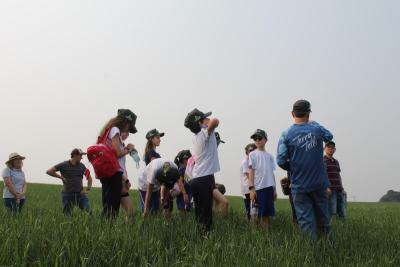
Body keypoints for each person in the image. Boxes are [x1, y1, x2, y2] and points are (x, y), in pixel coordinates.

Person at [277, 99, 333, 240]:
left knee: (307, 224)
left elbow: (281, 160)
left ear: (292, 113)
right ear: (308, 113)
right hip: (319, 184)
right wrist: (315, 123)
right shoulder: (316, 129)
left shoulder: (286, 134)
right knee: (324, 221)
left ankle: (312, 255)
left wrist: (295, 167)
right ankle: (329, 252)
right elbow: (329, 136)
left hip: (299, 185)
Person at [184, 108, 220, 231]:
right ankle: (206, 237)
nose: (208, 119)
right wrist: (206, 125)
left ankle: (200, 235)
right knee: (206, 213)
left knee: (200, 212)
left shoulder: (196, 137)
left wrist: (204, 123)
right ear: (200, 123)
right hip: (204, 178)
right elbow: (215, 121)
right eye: (205, 118)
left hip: (197, 178)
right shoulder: (203, 134)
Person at [98, 109, 137, 219]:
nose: (128, 131)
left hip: (112, 175)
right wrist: (129, 149)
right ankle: (107, 233)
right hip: (113, 175)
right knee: (111, 210)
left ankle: (108, 232)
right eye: (129, 127)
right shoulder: (115, 130)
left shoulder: (109, 131)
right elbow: (117, 153)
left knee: (110, 209)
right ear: (126, 122)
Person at [47, 148, 93, 215]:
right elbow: (49, 171)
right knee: (67, 215)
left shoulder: (82, 166)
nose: (82, 158)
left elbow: (89, 178)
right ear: (75, 155)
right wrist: (61, 177)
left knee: (89, 212)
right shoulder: (63, 165)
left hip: (80, 194)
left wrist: (88, 189)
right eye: (80, 155)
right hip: (67, 194)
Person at [248, 129, 277, 229]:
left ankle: (266, 239)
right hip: (258, 188)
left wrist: (274, 189)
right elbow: (251, 172)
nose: (257, 140)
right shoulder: (252, 154)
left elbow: (272, 174)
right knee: (255, 215)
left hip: (269, 188)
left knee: (266, 215)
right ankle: (254, 238)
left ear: (265, 140)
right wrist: (251, 189)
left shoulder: (270, 156)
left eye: (259, 138)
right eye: (255, 139)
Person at [324, 141, 345, 221]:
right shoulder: (323, 160)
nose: (330, 149)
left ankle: (342, 230)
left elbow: (338, 175)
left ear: (335, 149)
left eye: (332, 147)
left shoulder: (336, 162)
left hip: (339, 190)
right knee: (331, 212)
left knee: (341, 212)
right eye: (328, 147)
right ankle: (329, 230)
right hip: (330, 190)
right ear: (324, 149)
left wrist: (342, 188)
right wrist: (326, 187)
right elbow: (322, 175)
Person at [120, 130, 136, 223]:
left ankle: (127, 231)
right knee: (130, 211)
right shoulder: (117, 146)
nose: (128, 134)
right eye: (126, 131)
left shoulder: (121, 145)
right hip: (120, 181)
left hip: (121, 180)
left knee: (129, 212)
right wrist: (126, 180)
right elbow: (117, 166)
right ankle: (128, 231)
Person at [212, 132, 229, 217]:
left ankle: (220, 224)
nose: (218, 144)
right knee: (224, 202)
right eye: (216, 142)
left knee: (223, 203)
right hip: (204, 182)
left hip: (209, 182)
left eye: (218, 142)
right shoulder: (207, 152)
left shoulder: (214, 153)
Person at [241, 143, 257, 220]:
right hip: (247, 189)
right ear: (247, 152)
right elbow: (249, 176)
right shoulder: (245, 162)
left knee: (254, 209)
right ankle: (250, 227)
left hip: (252, 188)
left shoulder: (253, 161)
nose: (252, 152)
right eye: (250, 150)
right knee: (249, 209)